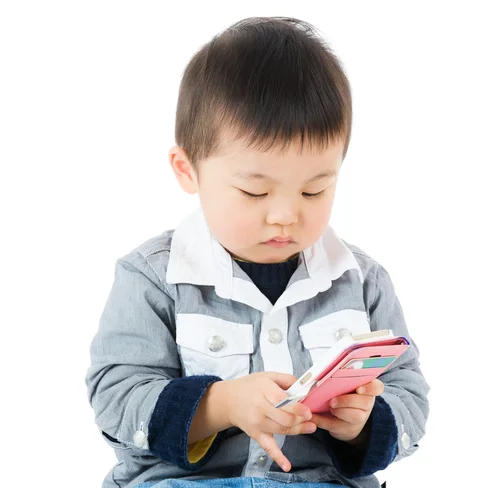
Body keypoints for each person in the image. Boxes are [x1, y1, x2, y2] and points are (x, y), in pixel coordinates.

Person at [85, 16, 430, 488]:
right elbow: (116, 396)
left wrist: (363, 425)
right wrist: (219, 405)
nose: (285, 215)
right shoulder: (152, 277)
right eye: (254, 192)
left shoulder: (362, 281)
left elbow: (408, 391)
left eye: (315, 191)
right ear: (188, 171)